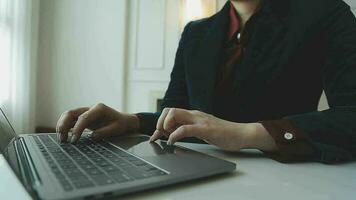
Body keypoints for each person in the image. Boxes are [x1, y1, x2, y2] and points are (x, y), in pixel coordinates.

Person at [56, 0, 356, 164]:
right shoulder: (195, 32)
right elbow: (178, 114)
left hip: (288, 178)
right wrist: (131, 121)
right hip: (194, 174)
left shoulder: (326, 13)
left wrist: (247, 134)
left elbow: (351, 114)